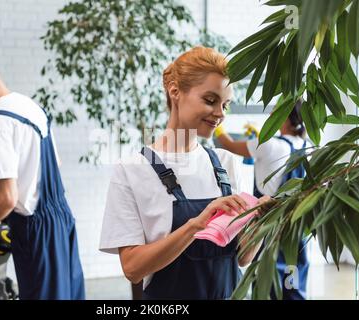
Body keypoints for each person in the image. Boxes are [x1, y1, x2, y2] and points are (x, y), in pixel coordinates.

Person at [99, 46, 270, 300]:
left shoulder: (226, 164)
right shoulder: (132, 170)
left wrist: (262, 221)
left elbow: (242, 258)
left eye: (225, 104)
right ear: (175, 92)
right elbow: (133, 269)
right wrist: (196, 225)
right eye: (210, 100)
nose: (220, 113)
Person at [0, 47, 85, 300]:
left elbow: (8, 197)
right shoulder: (31, 107)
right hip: (62, 219)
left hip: (35, 231)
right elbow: (54, 165)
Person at [215, 100, 310, 300]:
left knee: (267, 285)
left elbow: (229, 145)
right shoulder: (308, 146)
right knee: (293, 284)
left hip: (267, 229)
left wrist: (218, 128)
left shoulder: (268, 144)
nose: (270, 117)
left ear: (284, 117)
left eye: (274, 112)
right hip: (296, 229)